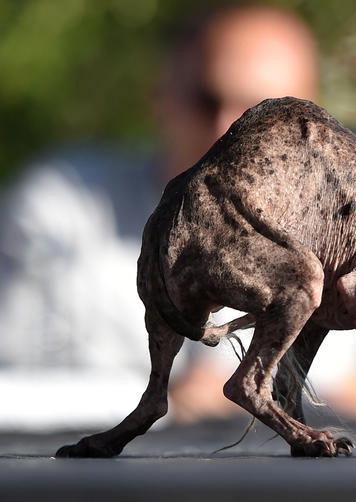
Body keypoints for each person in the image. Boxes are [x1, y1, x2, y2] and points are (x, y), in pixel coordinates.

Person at [0, 4, 320, 429]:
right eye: (206, 100)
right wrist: (177, 400)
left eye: (261, 111)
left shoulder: (352, 228)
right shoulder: (62, 208)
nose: (228, 128)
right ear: (161, 97)